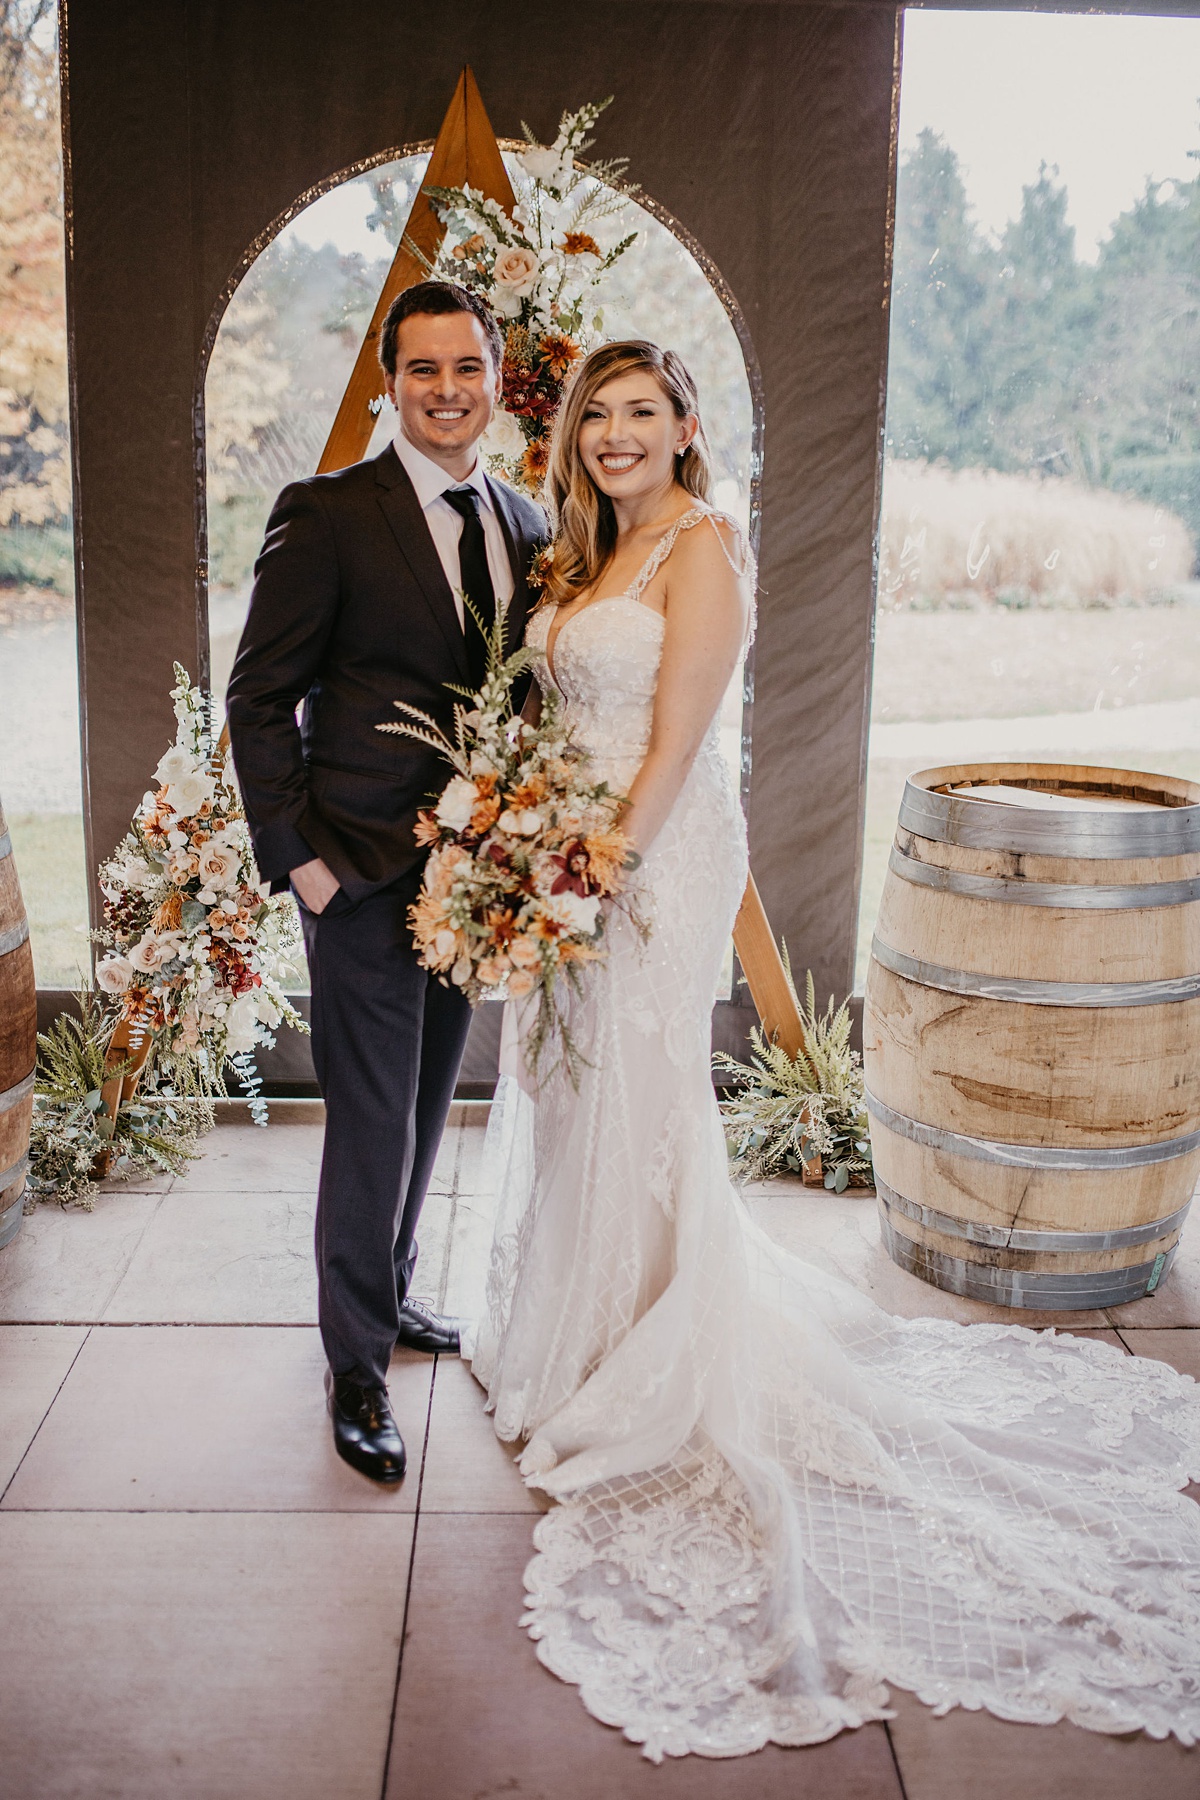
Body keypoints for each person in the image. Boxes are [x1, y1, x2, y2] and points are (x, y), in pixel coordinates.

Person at [468, 339, 1200, 1760]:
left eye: (641, 413)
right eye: (595, 416)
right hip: (566, 857)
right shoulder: (577, 557)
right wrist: (529, 840)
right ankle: (578, 1335)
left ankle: (646, 1364)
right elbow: (558, 718)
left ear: (686, 428)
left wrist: (606, 858)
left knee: (641, 1097)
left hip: (651, 861)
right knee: (572, 1097)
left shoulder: (700, 548)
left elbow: (678, 739)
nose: (616, 436)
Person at [227, 281, 545, 1483]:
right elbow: (258, 697)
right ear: (388, 382)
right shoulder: (327, 513)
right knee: (367, 1121)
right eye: (424, 371)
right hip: (355, 875)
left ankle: (395, 1296)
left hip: (473, 887)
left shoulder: (524, 519)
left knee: (421, 1107)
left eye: (468, 368)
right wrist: (300, 863)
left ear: (495, 376)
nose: (448, 391)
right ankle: (354, 1366)